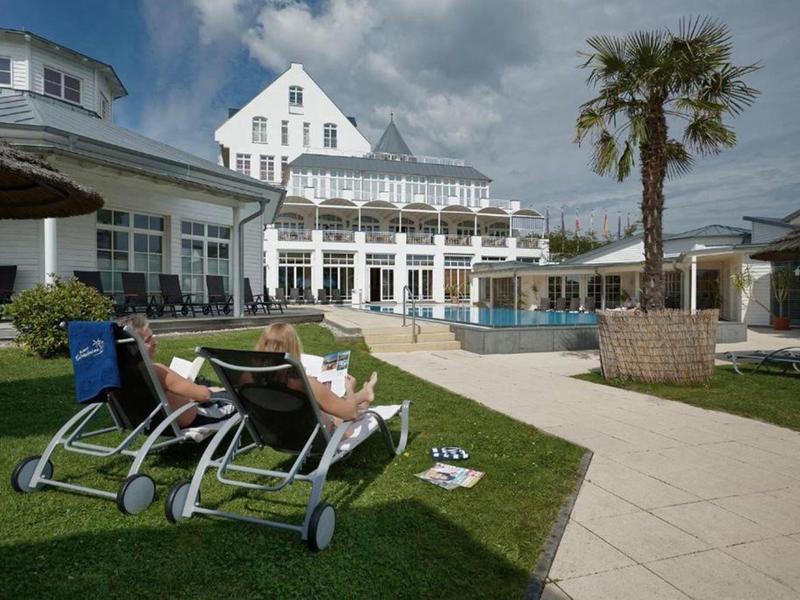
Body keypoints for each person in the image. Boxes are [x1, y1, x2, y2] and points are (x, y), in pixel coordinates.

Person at [116, 315, 232, 428]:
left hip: (150, 422)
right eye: (148, 339)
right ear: (133, 347)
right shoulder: (155, 371)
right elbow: (204, 395)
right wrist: (209, 390)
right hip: (193, 417)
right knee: (236, 398)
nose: (155, 342)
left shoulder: (118, 374)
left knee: (215, 390)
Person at [255, 323, 377, 426]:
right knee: (348, 413)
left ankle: (365, 394)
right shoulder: (305, 383)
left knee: (331, 404)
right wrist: (350, 388)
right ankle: (365, 397)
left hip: (278, 432)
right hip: (314, 436)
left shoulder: (254, 378)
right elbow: (351, 413)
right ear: (294, 348)